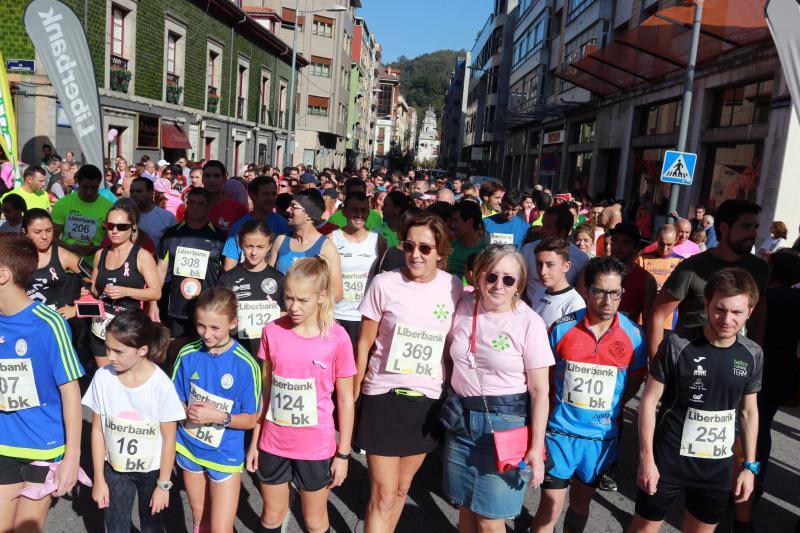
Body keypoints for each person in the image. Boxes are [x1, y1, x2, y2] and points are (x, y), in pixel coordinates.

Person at [629, 268, 762, 533]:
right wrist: (646, 459)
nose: (726, 319)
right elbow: (649, 401)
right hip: (669, 461)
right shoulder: (677, 345)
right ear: (706, 304)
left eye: (736, 312)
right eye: (719, 309)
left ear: (750, 311)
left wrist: (749, 466)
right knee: (643, 529)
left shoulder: (752, 354)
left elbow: (749, 413)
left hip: (716, 468)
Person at [354, 212, 463, 532]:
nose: (416, 254)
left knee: (402, 488)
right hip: (383, 395)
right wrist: (356, 391)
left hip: (427, 399)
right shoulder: (384, 283)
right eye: (409, 245)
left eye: (425, 248)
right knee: (383, 493)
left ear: (441, 252)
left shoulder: (453, 286)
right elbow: (364, 344)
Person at [531, 257, 647, 533]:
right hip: (559, 434)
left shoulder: (634, 336)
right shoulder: (562, 328)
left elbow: (635, 379)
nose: (608, 301)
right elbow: (545, 381)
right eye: (600, 292)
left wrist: (614, 405)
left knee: (581, 505)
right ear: (586, 291)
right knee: (549, 507)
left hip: (599, 439)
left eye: (615, 293)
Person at [444, 246, 552, 529]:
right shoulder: (464, 306)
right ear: (479, 276)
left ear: (519, 285)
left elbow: (540, 392)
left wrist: (536, 447)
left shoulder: (529, 323)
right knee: (466, 510)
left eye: (508, 280)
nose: (498, 285)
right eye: (492, 276)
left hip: (506, 426)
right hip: (461, 423)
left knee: (490, 521)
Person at [247, 257, 356, 533]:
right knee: (272, 516)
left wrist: (343, 455)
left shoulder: (337, 338)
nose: (293, 307)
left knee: (315, 521)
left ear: (321, 296)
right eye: (288, 298)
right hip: (274, 442)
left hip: (315, 446)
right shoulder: (272, 331)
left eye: (302, 300)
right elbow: (266, 390)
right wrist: (255, 441)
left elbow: (345, 400)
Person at [0, 236, 84, 532]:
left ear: (3, 275)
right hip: (4, 444)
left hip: (43, 448)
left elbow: (70, 391)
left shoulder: (49, 323)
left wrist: (72, 456)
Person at [83, 310, 185, 533]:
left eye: (118, 351)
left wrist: (164, 485)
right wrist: (99, 479)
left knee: (152, 526)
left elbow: (169, 439)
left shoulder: (161, 385)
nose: (110, 356)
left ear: (142, 350)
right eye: (108, 348)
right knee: (116, 525)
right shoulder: (103, 378)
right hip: (116, 469)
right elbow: (98, 431)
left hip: (152, 472)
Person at [172, 287, 262, 533]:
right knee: (200, 519)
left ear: (233, 323)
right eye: (201, 326)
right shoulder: (187, 353)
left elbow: (251, 419)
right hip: (190, 448)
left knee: (220, 528)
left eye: (215, 328)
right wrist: (185, 410)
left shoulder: (245, 365)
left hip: (224, 455)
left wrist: (217, 416)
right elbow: (174, 399)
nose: (206, 334)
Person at [647, 200, 770, 360]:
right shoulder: (691, 268)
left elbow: (758, 316)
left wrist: (754, 360)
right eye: (746, 226)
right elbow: (657, 315)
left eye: (755, 227)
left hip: (732, 366)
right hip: (688, 363)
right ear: (724, 228)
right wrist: (657, 367)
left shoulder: (759, 269)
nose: (753, 233)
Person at [87, 202, 162, 369]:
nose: (114, 230)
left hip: (127, 330)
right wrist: (87, 290)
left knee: (127, 379)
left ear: (132, 228)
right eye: (110, 225)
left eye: (121, 226)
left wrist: (125, 291)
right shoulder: (101, 254)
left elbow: (156, 293)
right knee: (107, 380)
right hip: (100, 328)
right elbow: (94, 288)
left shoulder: (142, 256)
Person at [154, 188, 227, 341]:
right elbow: (159, 272)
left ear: (209, 207)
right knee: (176, 353)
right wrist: (153, 304)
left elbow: (226, 275)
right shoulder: (172, 233)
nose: (195, 207)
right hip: (176, 310)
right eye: (191, 202)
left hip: (207, 309)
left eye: (201, 203)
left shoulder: (220, 237)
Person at [218, 220, 285, 356]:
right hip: (237, 349)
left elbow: (286, 312)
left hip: (269, 351)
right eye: (249, 246)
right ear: (241, 244)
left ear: (269, 246)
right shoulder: (228, 278)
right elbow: (219, 313)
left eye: (260, 247)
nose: (254, 252)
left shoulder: (279, 279)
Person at [331, 192, 384, 352]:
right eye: (354, 210)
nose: (359, 214)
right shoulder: (332, 239)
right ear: (345, 211)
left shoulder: (378, 240)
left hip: (365, 316)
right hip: (337, 314)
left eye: (364, 210)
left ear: (369, 213)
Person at [268, 190, 343, 300]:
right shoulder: (280, 240)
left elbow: (337, 293)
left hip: (310, 316)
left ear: (309, 214)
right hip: (280, 313)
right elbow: (267, 280)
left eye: (294, 206)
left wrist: (306, 304)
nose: (288, 210)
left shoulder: (326, 247)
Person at [520, 204, 590, 302]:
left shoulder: (581, 259)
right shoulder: (527, 250)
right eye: (539, 264)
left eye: (547, 227)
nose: (541, 230)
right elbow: (518, 285)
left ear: (562, 232)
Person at [221, 176, 291, 271]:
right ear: (253, 195)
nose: (271, 198)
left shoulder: (285, 226)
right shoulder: (238, 226)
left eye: (274, 194)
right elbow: (229, 265)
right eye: (266, 194)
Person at [22, 208, 84, 314]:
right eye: (37, 232)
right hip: (28, 322)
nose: (44, 236)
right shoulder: (15, 256)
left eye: (49, 230)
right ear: (25, 232)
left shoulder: (64, 255)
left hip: (57, 321)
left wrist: (75, 309)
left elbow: (94, 280)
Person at [51, 164, 114, 265]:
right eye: (85, 187)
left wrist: (98, 248)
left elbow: (114, 240)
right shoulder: (63, 204)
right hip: (68, 268)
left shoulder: (109, 208)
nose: (89, 192)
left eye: (94, 188)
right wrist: (70, 247)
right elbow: (52, 237)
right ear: (78, 183)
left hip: (97, 267)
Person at [635, 224, 684, 330]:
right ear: (656, 239)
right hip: (642, 318)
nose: (664, 248)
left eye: (669, 244)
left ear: (676, 241)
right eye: (661, 243)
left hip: (667, 322)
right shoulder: (642, 259)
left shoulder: (681, 262)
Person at [531, 237, 586, 328]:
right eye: (539, 264)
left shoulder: (575, 304)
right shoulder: (538, 293)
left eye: (550, 265)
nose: (542, 271)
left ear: (566, 266)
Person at [609, 223, 657, 325]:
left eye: (625, 243)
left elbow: (647, 324)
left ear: (636, 248)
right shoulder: (593, 270)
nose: (618, 247)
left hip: (627, 337)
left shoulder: (647, 280)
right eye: (615, 241)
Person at [202, 160, 248, 233]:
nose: (211, 180)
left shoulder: (239, 209)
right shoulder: (195, 207)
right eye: (207, 175)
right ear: (202, 179)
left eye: (216, 176)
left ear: (224, 179)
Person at [129, 177, 178, 247]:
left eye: (139, 191)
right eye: (132, 191)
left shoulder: (167, 218)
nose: (134, 195)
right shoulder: (124, 216)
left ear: (151, 193)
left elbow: (175, 244)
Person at [448, 200, 486, 283]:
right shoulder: (449, 247)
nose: (452, 225)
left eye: (456, 220)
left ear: (469, 222)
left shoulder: (485, 253)